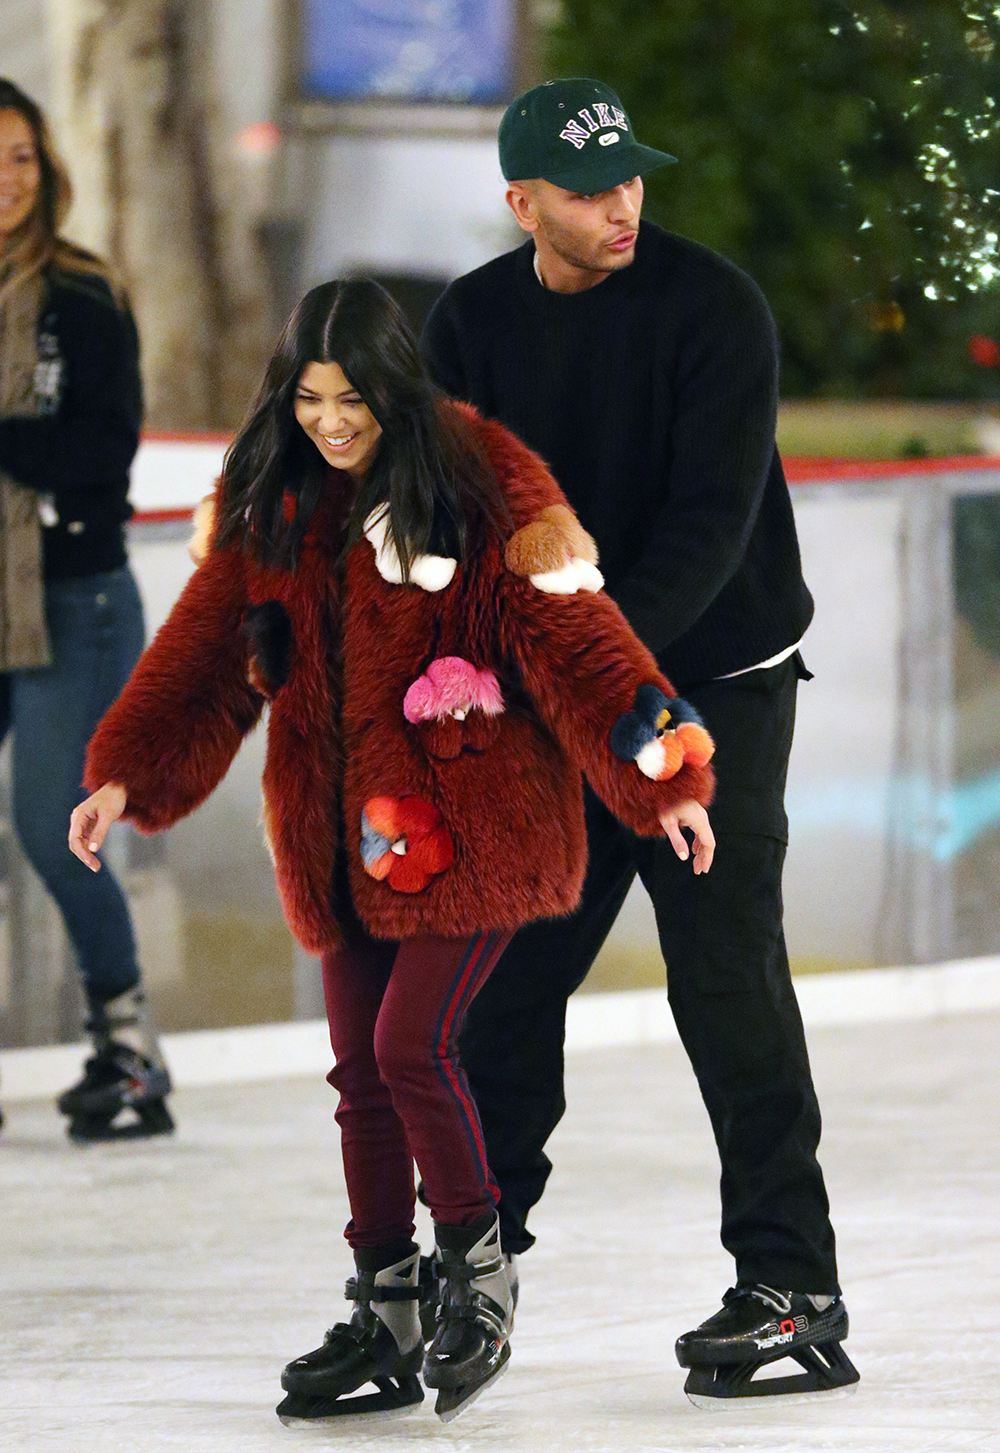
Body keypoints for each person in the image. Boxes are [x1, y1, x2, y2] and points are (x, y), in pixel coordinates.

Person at [68, 278, 716, 1422]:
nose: (331, 420)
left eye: (352, 398)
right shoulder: (273, 499)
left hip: (475, 820)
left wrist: (660, 777)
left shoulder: (477, 480)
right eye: (311, 398)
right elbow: (208, 646)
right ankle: (385, 1305)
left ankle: (477, 1270)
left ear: (395, 388)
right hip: (336, 835)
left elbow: (573, 635)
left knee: (411, 1043)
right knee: (359, 1073)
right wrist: (123, 771)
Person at [421, 77, 860, 1406]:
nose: (621, 207)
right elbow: (455, 517)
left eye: (631, 180)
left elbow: (706, 527)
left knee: (724, 974)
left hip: (714, 683)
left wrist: (588, 679)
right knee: (508, 984)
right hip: (560, 695)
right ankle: (473, 1270)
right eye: (586, 188)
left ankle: (792, 1289)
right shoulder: (471, 323)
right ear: (521, 202)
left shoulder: (713, 306)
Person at [0, 78, 172, 1141]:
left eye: (19, 156)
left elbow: (100, 456)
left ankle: (129, 1047)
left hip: (74, 595)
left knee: (52, 827)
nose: (6, 179)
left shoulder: (83, 295)